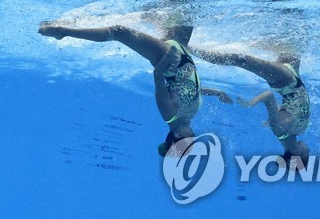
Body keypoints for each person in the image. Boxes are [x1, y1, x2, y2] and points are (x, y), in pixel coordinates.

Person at [38, 22, 233, 156]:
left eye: (190, 141)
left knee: (119, 32)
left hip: (167, 57)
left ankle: (63, 32)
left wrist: (168, 55)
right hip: (183, 52)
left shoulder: (169, 113)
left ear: (179, 137)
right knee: (183, 11)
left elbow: (158, 76)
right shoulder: (189, 115)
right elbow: (191, 89)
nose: (195, 136)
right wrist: (218, 93)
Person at [190, 47, 310, 168]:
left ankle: (189, 48)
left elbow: (268, 96)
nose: (309, 151)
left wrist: (252, 103)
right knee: (289, 45)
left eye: (307, 154)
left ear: (298, 153)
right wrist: (273, 116)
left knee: (238, 59)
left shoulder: (280, 130)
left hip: (284, 80)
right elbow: (291, 106)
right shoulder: (297, 131)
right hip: (294, 77)